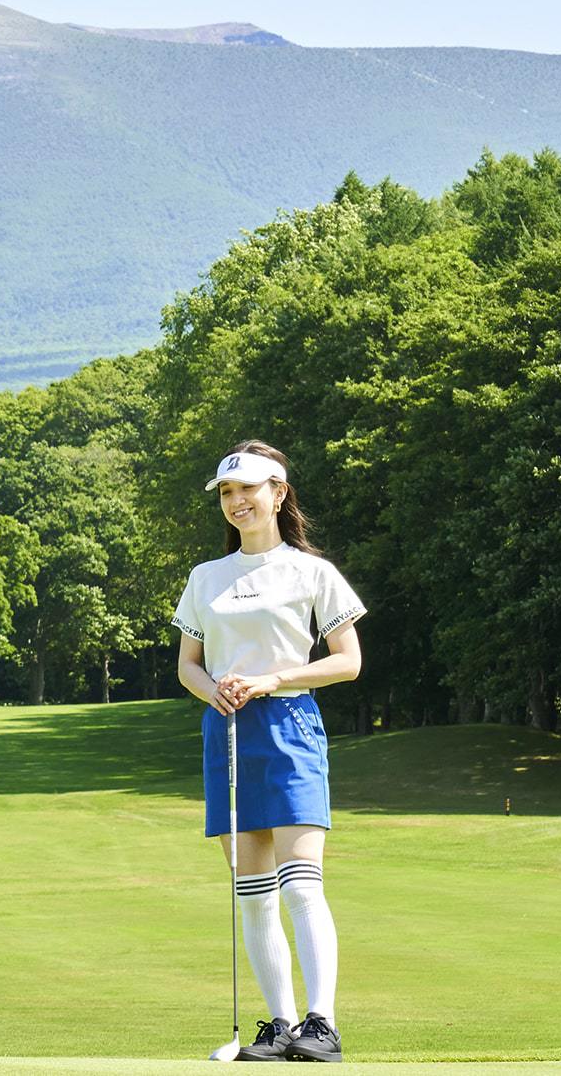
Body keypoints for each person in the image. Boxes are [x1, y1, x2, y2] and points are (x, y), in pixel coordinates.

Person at [172, 440, 366, 1063]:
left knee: (301, 883)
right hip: (226, 731)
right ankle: (280, 1026)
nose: (237, 502)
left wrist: (272, 679)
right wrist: (217, 691)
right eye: (227, 494)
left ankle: (322, 1024)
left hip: (289, 725)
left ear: (279, 494)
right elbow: (188, 667)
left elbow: (348, 661)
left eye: (248, 490)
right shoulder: (206, 577)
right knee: (251, 889)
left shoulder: (312, 572)